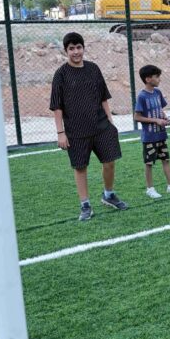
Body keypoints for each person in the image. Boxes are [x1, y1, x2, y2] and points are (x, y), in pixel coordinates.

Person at [50, 32, 128, 221]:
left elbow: (103, 97)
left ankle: (108, 195)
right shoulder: (61, 75)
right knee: (80, 167)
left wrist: (110, 121)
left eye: (79, 47)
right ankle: (85, 205)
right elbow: (57, 106)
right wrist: (61, 133)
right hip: (75, 130)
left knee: (110, 162)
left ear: (83, 48)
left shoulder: (93, 69)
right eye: (71, 49)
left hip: (101, 126)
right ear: (66, 51)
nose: (76, 52)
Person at [133, 65, 170, 198]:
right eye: (157, 77)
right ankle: (150, 189)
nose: (159, 79)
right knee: (149, 163)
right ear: (148, 79)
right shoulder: (141, 96)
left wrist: (165, 117)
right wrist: (155, 121)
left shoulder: (157, 92)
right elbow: (137, 117)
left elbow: (160, 109)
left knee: (166, 160)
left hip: (161, 135)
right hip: (149, 137)